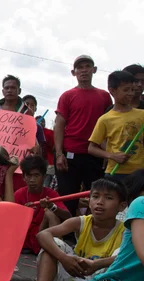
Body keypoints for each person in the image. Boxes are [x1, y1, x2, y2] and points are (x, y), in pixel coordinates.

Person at [10, 178, 126, 281]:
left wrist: (97, 264)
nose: (100, 202)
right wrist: (63, 258)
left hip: (101, 279)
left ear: (122, 206)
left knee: (122, 254)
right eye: (95, 197)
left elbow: (131, 256)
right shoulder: (81, 221)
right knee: (54, 242)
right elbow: (43, 235)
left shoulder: (125, 230)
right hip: (76, 271)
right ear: (89, 201)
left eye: (108, 198)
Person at [55, 55, 113, 215]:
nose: (84, 70)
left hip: (95, 155)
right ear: (73, 72)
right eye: (80, 67)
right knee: (68, 198)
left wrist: (107, 153)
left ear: (94, 70)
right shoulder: (67, 96)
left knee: (98, 197)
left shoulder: (104, 96)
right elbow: (59, 124)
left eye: (87, 66)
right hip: (70, 155)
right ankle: (65, 237)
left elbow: (110, 125)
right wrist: (59, 154)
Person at [88, 71, 144, 180]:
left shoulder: (142, 114)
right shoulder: (105, 119)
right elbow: (91, 148)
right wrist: (112, 156)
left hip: (141, 171)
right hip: (116, 172)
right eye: (126, 90)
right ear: (112, 91)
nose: (130, 93)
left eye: (132, 90)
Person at [14, 155, 71, 255]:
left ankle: (56, 248)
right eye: (29, 176)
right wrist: (23, 213)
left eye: (36, 175)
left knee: (50, 213)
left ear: (44, 177)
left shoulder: (51, 194)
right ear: (24, 177)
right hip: (24, 238)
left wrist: (51, 206)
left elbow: (68, 216)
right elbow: (9, 222)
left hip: (43, 236)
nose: (32, 180)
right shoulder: (19, 194)